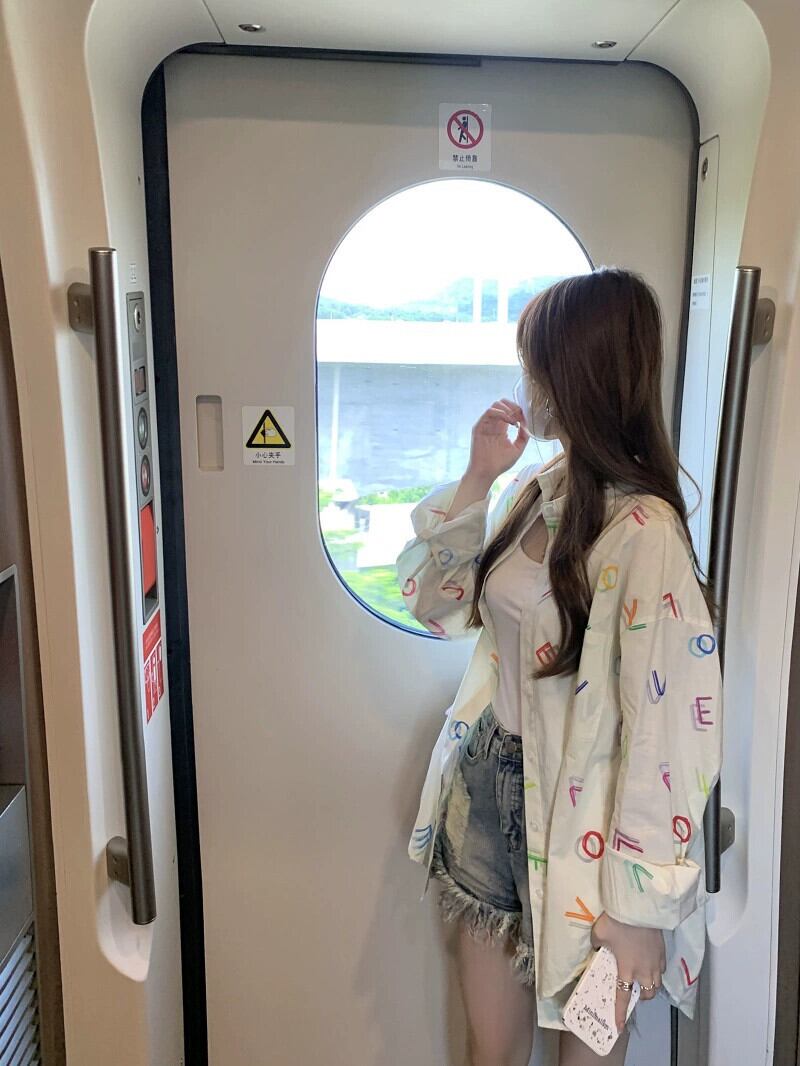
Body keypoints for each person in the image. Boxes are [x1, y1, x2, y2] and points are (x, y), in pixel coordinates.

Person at [397, 267, 723, 1066]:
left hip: (591, 826)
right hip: (488, 789)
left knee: (587, 1053)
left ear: (575, 373)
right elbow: (437, 605)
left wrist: (640, 908)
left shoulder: (644, 532)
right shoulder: (536, 490)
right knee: (490, 1052)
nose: (526, 382)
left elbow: (668, 730)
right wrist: (478, 477)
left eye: (534, 362)